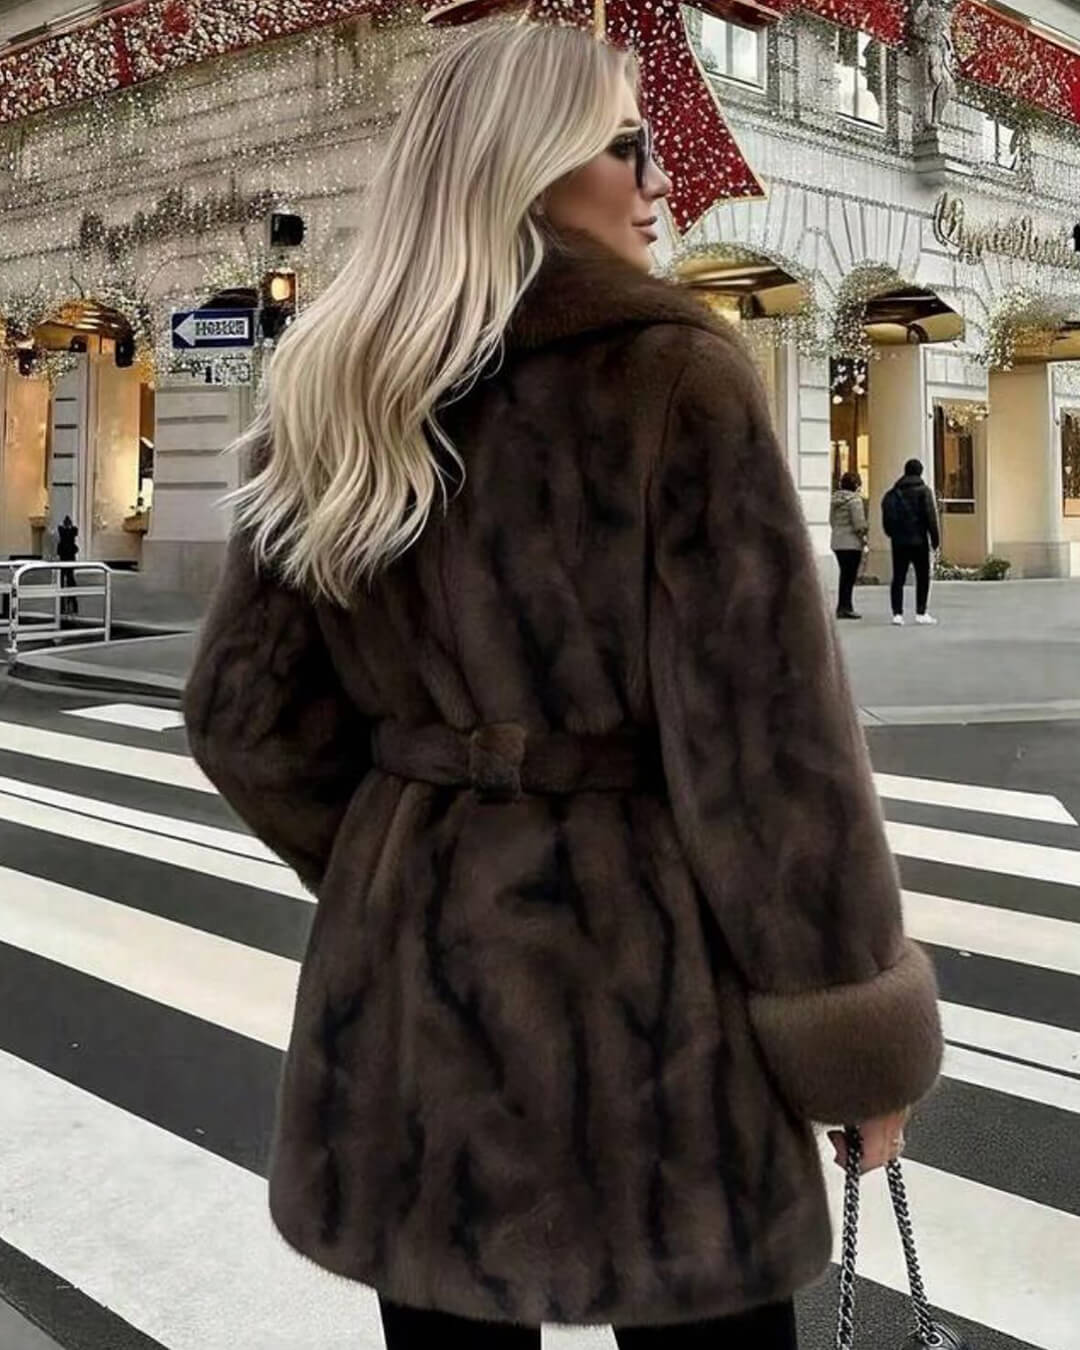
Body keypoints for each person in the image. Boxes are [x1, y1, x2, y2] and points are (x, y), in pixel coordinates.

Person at [183, 25, 942, 1350]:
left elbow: (245, 719)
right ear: (525, 168)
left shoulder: (336, 386)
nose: (662, 183)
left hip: (419, 1001)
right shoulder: (676, 380)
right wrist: (852, 1045)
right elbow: (769, 763)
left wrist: (405, 845)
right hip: (658, 1014)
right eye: (627, 148)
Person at [882, 458, 940, 626]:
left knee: (898, 577)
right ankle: (921, 612)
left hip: (899, 541)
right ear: (920, 472)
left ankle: (897, 614)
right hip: (919, 541)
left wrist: (892, 534)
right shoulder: (924, 492)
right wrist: (935, 540)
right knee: (922, 577)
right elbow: (931, 517)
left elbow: (887, 517)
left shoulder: (893, 493)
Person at [830, 471, 868, 619]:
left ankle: (842, 606)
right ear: (856, 485)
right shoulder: (855, 501)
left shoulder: (834, 500)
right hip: (851, 544)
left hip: (837, 542)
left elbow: (831, 520)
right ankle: (846, 606)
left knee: (844, 575)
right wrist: (864, 535)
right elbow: (859, 524)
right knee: (849, 577)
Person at [56, 514, 79, 616]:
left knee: (65, 580)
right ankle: (71, 605)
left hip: (65, 558)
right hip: (69, 557)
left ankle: (64, 606)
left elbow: (62, 530)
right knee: (70, 579)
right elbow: (73, 531)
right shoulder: (71, 532)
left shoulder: (63, 532)